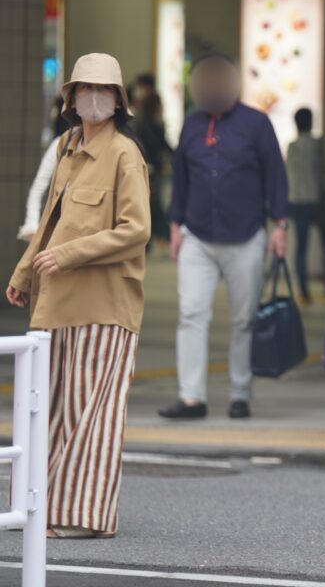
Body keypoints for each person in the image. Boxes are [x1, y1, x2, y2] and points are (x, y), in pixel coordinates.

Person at [6, 53, 151, 538]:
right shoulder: (68, 145)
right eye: (85, 88)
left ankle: (82, 517)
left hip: (105, 305)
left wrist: (68, 256)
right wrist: (24, 273)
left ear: (118, 101)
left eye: (104, 90)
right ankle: (42, 509)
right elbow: (49, 220)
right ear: (70, 98)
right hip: (57, 302)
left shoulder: (125, 154)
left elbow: (137, 230)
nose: (93, 97)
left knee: (92, 414)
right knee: (49, 410)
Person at [158, 52, 288, 421]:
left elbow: (275, 175)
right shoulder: (192, 124)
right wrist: (175, 224)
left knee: (244, 319)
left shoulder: (257, 124)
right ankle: (191, 397)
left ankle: (240, 393)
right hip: (196, 235)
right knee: (191, 314)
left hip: (246, 235)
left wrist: (280, 224)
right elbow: (181, 176)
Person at [286, 107, 325, 303]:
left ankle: (304, 291)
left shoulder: (292, 147)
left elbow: (288, 175)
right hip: (320, 201)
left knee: (301, 248)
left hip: (298, 202)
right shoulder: (321, 144)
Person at [17, 97, 69, 241]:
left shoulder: (110, 148)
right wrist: (32, 226)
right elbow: (38, 188)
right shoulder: (60, 144)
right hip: (56, 231)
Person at [132, 92, 172, 249]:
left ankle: (152, 239)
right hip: (150, 169)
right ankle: (161, 235)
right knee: (153, 204)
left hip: (150, 168)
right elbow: (162, 145)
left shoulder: (143, 124)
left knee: (151, 204)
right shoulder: (151, 125)